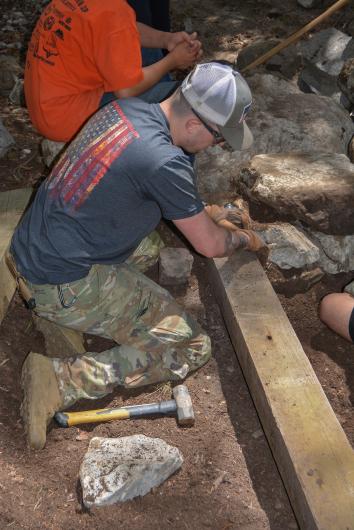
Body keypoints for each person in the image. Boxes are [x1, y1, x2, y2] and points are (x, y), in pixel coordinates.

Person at [11, 61, 264, 450]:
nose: (219, 146)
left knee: (151, 247)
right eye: (220, 139)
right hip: (61, 284)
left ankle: (67, 316)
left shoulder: (126, 110)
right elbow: (211, 246)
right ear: (196, 125)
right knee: (192, 346)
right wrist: (244, 239)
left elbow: (147, 187)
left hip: (35, 247)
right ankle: (61, 380)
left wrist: (207, 214)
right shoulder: (164, 161)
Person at [24, 0, 201, 143]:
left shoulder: (106, 8)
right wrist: (172, 61)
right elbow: (126, 91)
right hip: (69, 120)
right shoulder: (114, 11)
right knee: (178, 95)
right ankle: (167, 150)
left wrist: (166, 39)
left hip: (48, 108)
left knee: (147, 53)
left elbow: (125, 28)